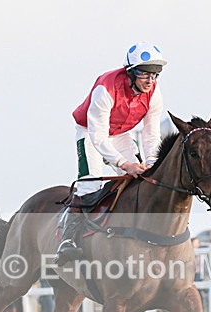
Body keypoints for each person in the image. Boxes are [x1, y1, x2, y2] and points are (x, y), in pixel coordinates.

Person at [56, 42, 167, 266]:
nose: (150, 81)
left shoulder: (154, 94)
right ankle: (67, 241)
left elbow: (151, 136)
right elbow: (98, 137)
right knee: (89, 186)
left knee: (143, 180)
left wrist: (152, 163)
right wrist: (124, 164)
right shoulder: (105, 88)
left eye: (155, 75)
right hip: (90, 132)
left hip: (122, 134)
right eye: (145, 74)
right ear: (131, 72)